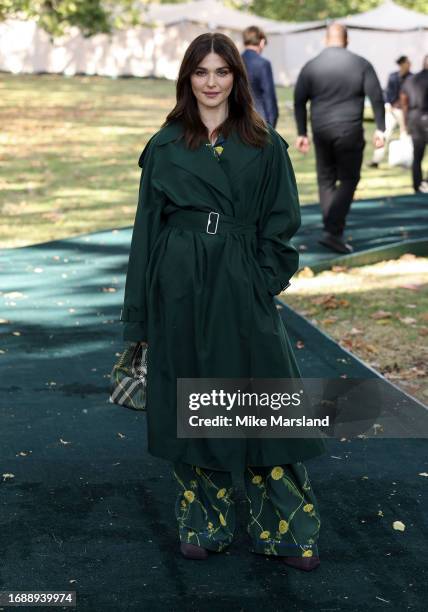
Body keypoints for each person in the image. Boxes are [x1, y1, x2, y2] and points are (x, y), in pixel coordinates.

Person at [120, 32, 326, 570]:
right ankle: (204, 522)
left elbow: (282, 224)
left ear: (237, 77)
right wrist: (140, 314)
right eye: (201, 72)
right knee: (195, 401)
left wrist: (261, 279)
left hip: (242, 282)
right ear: (188, 79)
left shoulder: (264, 143)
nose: (212, 83)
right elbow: (145, 232)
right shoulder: (165, 145)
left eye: (222, 72)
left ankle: (285, 528)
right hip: (179, 285)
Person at [294, 23, 385, 254]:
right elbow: (376, 97)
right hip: (349, 130)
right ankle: (333, 231)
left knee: (325, 179)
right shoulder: (361, 64)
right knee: (349, 178)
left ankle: (332, 229)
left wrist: (302, 132)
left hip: (321, 130)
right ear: (347, 40)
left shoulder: (311, 66)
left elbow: (298, 100)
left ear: (326, 40)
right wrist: (380, 129)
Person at [368, 55, 413, 168]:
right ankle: (376, 160)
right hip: (392, 110)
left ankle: (405, 161)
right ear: (402, 64)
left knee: (405, 134)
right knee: (384, 133)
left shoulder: (412, 77)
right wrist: (388, 105)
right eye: (407, 62)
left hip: (405, 111)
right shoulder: (393, 76)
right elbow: (388, 93)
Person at [400, 54, 428, 193]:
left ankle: (417, 185)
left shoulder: (411, 80)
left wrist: (405, 123)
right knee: (417, 155)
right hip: (421, 117)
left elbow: (403, 101)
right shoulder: (412, 80)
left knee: (417, 155)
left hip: (414, 119)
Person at [241, 26, 279, 128]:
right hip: (259, 121)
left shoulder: (235, 61)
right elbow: (269, 97)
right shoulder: (263, 64)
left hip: (237, 121)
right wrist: (272, 126)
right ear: (261, 42)